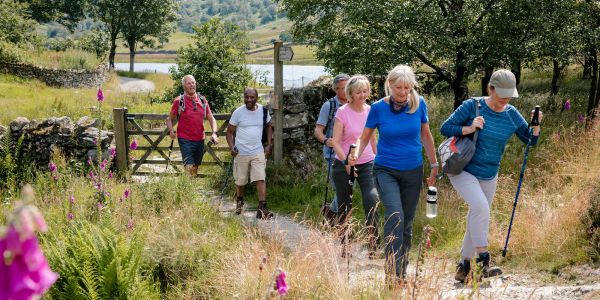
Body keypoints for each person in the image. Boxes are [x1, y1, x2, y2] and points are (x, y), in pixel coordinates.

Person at [440, 69, 542, 282]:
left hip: (489, 173)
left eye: (509, 94)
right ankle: (483, 262)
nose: (505, 99)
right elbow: (445, 128)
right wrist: (469, 128)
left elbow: (530, 141)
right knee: (481, 208)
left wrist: (536, 125)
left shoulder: (511, 113)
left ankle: (463, 266)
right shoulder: (472, 105)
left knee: (477, 214)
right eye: (501, 93)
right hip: (463, 168)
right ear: (490, 88)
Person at [349, 65, 438, 285]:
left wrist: (434, 163)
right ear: (389, 85)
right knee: (395, 216)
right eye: (398, 87)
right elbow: (365, 136)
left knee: (406, 224)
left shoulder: (419, 104)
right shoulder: (378, 108)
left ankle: (401, 272)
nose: (402, 92)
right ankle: (390, 272)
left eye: (407, 87)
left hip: (413, 170)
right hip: (385, 169)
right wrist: (354, 156)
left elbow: (426, 135)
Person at [330, 75, 379, 256]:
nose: (362, 95)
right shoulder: (342, 112)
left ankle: (374, 245)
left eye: (365, 91)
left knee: (372, 198)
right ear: (350, 93)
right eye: (358, 92)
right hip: (343, 163)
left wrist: (379, 158)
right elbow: (335, 141)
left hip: (367, 162)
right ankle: (346, 245)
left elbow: (372, 138)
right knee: (345, 204)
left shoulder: (370, 111)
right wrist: (346, 162)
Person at [226, 88, 274, 219]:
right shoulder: (238, 112)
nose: (249, 100)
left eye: (252, 97)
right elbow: (229, 132)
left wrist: (268, 144)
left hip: (258, 151)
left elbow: (269, 126)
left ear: (256, 98)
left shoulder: (263, 111)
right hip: (241, 152)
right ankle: (240, 203)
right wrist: (232, 147)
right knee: (240, 181)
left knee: (260, 178)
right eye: (246, 97)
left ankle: (262, 208)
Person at [166, 75, 219, 177]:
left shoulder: (203, 100)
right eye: (189, 83)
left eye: (193, 82)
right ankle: (187, 189)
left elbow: (211, 118)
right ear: (184, 86)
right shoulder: (179, 101)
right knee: (189, 166)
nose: (192, 85)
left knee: (195, 167)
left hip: (199, 139)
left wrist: (214, 133)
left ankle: (191, 187)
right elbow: (169, 119)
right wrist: (171, 131)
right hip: (185, 139)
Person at [314, 74, 350, 221]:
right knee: (342, 189)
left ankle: (331, 212)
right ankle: (341, 222)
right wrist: (326, 141)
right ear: (335, 89)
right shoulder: (329, 106)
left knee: (348, 189)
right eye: (342, 88)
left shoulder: (355, 105)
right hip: (333, 155)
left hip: (351, 155)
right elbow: (318, 130)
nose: (345, 91)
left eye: (347, 87)